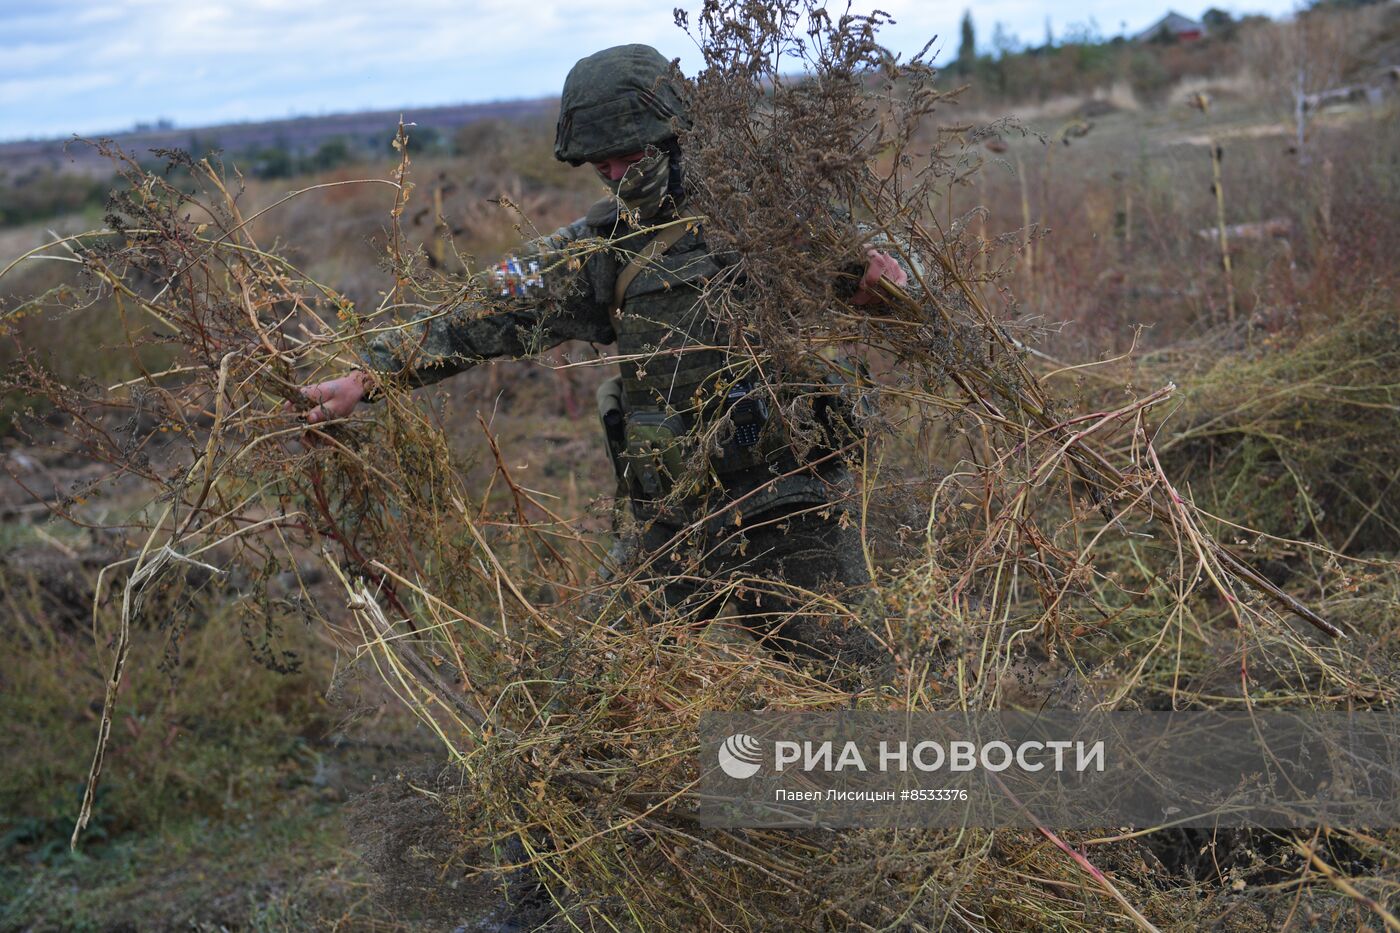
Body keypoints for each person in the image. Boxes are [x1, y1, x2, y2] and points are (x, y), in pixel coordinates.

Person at [299, 43, 908, 686]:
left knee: (863, 704)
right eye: (602, 164)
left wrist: (888, 279)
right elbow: (483, 308)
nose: (618, 174)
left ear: (676, 135)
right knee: (587, 703)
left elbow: (901, 274)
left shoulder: (772, 213)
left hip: (790, 510)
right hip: (671, 522)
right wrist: (370, 376)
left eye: (632, 156)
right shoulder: (602, 246)